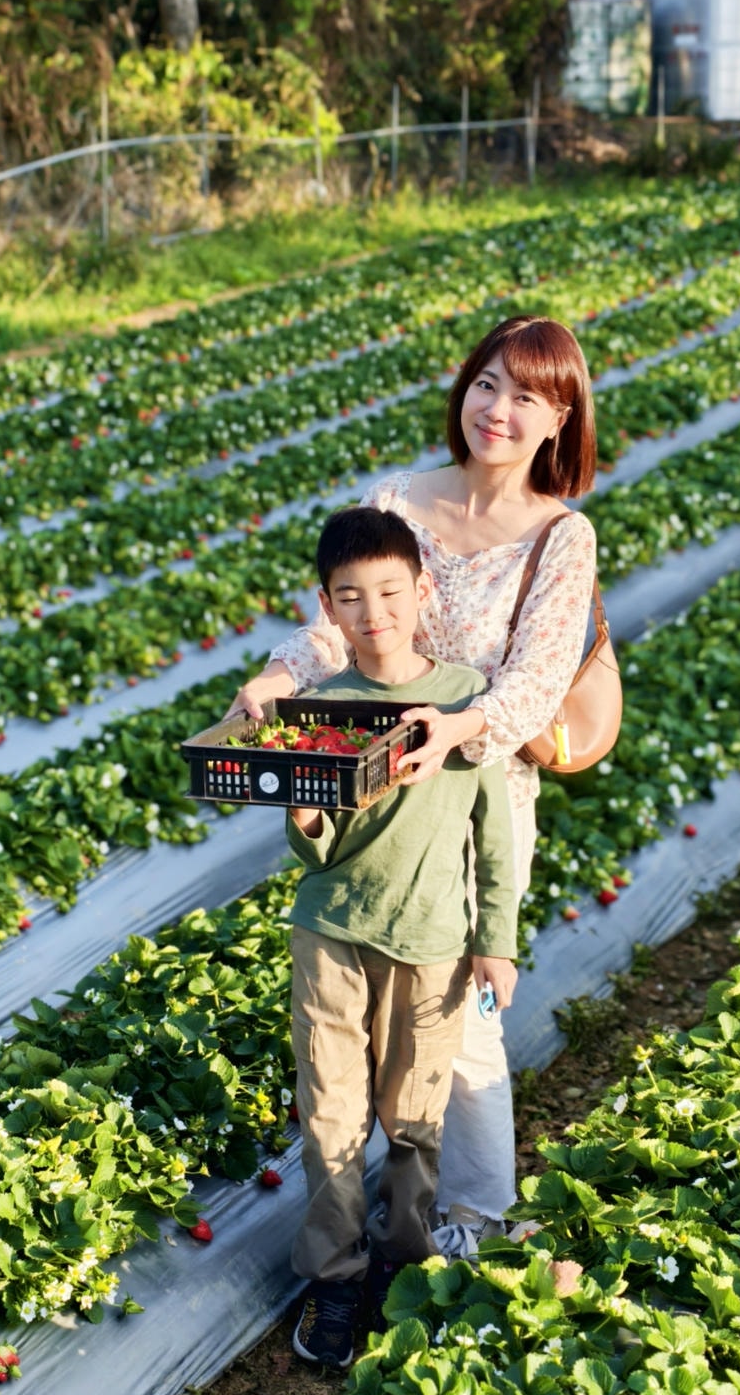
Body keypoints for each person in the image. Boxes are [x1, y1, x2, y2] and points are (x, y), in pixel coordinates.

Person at [229, 315, 598, 1250]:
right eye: (487, 384)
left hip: (470, 800)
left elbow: (534, 682)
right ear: (463, 388)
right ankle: (371, 1228)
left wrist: (455, 727)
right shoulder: (401, 497)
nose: (499, 410)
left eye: (527, 396)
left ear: (559, 420)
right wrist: (283, 674)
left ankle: (473, 1215)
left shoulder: (560, 537)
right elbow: (344, 615)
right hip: (367, 796)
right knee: (361, 1018)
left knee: (458, 1021)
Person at [284, 505, 518, 1370]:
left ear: (421, 590)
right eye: (351, 596)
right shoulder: (323, 707)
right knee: (332, 1111)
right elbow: (319, 848)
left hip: (433, 943)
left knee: (414, 1117)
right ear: (329, 606)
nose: (373, 611)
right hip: (333, 935)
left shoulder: (461, 700)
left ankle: (404, 1261)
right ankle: (336, 1275)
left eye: (389, 590)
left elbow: (494, 834)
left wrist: (497, 938)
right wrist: (306, 810)